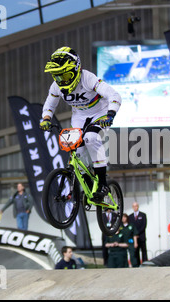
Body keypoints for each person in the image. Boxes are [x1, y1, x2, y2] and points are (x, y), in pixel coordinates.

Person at [39, 46, 122, 203]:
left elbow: (114, 95)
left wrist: (111, 114)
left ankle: (103, 184)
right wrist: (46, 118)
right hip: (79, 115)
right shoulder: (56, 86)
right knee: (77, 152)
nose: (61, 81)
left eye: (65, 75)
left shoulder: (87, 78)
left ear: (76, 69)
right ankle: (90, 187)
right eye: (57, 77)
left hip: (100, 113)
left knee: (91, 138)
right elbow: (50, 105)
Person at [128, 202, 148, 266]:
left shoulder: (143, 215)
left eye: (136, 206)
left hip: (141, 236)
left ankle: (145, 263)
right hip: (135, 238)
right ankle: (137, 264)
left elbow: (144, 226)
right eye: (134, 206)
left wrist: (137, 233)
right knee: (136, 252)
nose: (135, 207)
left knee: (143, 251)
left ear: (138, 206)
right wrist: (134, 234)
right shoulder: (130, 217)